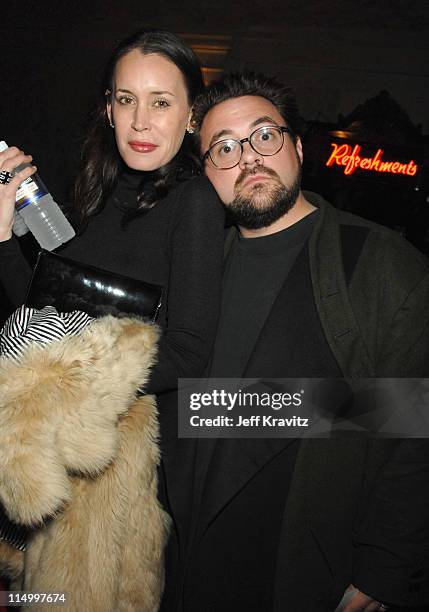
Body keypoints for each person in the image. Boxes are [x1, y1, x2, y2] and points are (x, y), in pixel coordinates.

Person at [159, 72, 429, 612]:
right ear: (207, 174)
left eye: (265, 136)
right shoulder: (195, 272)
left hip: (301, 567)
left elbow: (416, 425)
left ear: (298, 147)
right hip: (187, 563)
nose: (250, 157)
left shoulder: (382, 265)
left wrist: (383, 568)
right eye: (225, 148)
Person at [0, 27, 224, 608]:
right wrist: (2, 228)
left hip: (108, 471)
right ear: (108, 108)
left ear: (191, 115)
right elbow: (38, 310)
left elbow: (189, 352)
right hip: (48, 450)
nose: (141, 122)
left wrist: (64, 379)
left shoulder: (193, 201)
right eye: (126, 100)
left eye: (161, 102)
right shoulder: (93, 193)